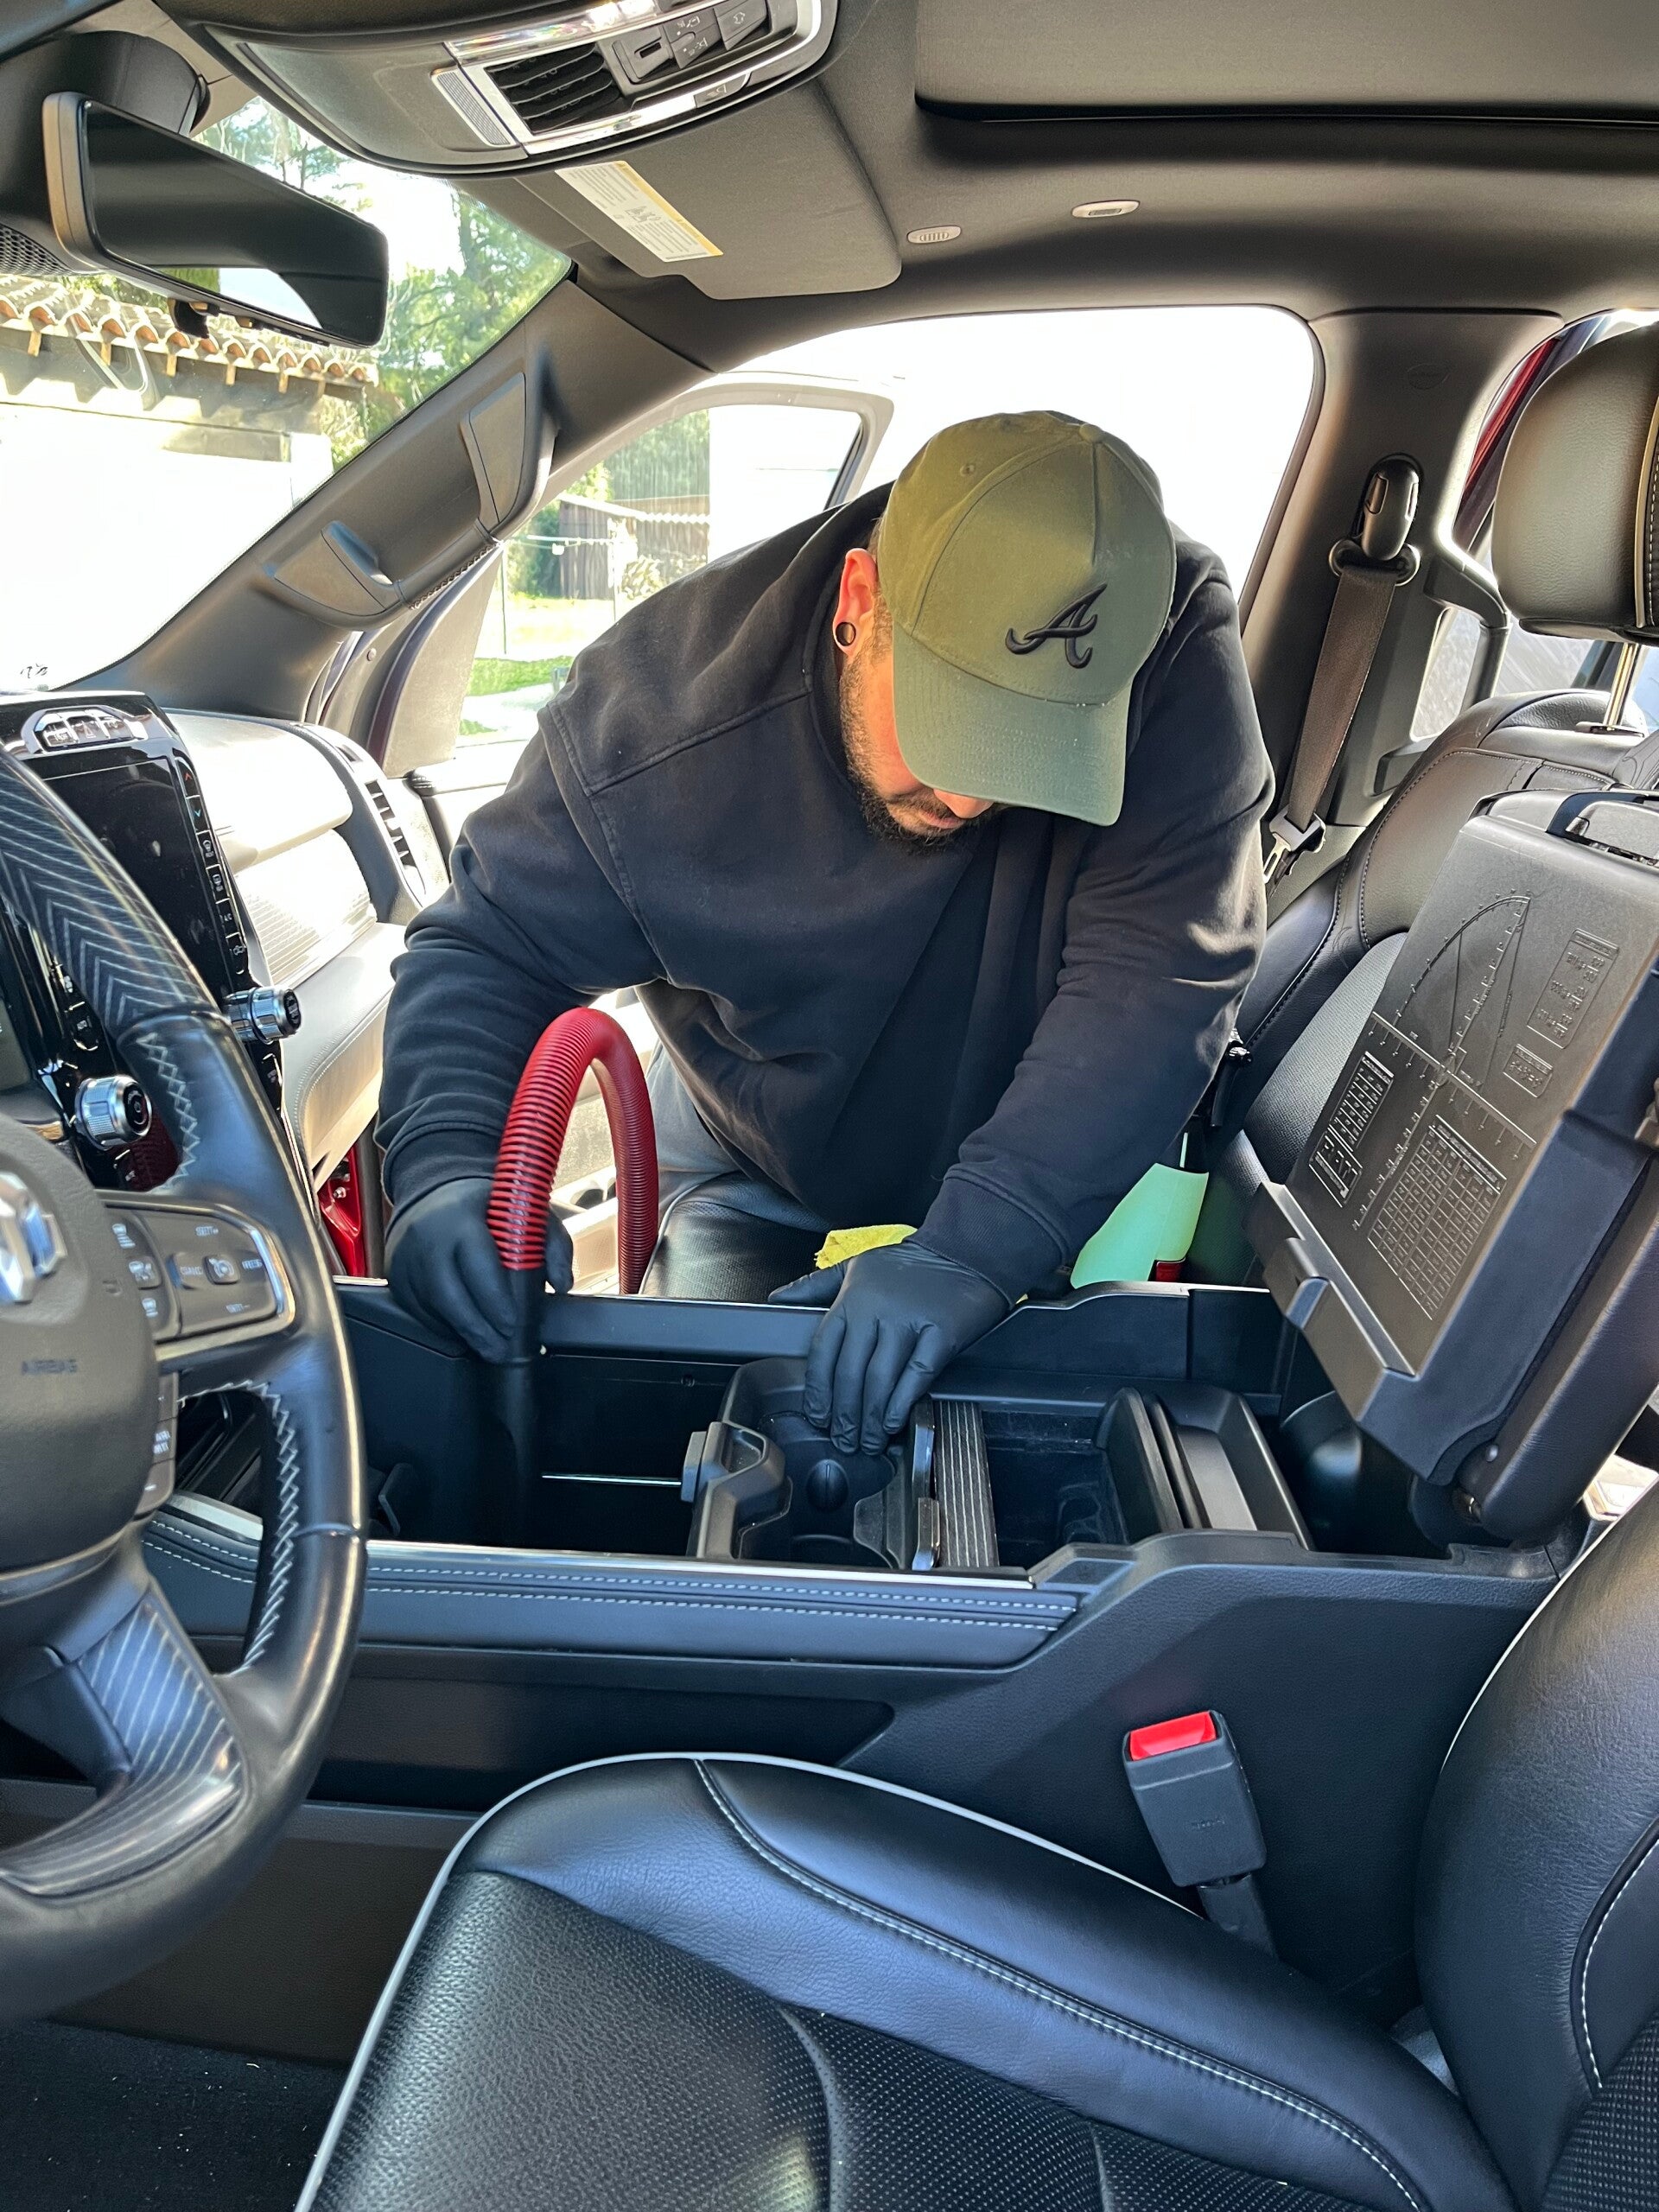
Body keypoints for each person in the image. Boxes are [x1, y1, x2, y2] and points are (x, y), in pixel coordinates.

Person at [378, 411, 1272, 1455]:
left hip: (1049, 1151)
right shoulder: (659, 727)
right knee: (690, 1437)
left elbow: (1158, 978)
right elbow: (492, 950)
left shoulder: (1163, 656)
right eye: (948, 725)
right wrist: (447, 1161)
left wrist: (978, 1249)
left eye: (1029, 750)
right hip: (750, 1138)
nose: (969, 797)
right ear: (859, 604)